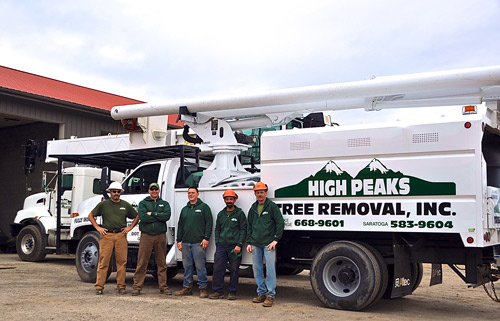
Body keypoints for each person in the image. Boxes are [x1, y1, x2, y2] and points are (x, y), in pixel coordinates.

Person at [88, 181, 139, 295]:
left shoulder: (125, 205)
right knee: (103, 261)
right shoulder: (103, 205)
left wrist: (129, 228)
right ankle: (99, 286)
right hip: (107, 235)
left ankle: (121, 286)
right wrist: (98, 228)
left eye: (118, 192)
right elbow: (90, 215)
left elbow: (137, 216)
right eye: (114, 191)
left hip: (121, 235)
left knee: (122, 262)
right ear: (110, 192)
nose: (116, 193)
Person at [246, 182, 284, 307]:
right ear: (255, 194)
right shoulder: (252, 208)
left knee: (270, 269)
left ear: (266, 193)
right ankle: (261, 293)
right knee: (257, 270)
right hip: (255, 243)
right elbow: (249, 226)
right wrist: (249, 242)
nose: (260, 194)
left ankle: (270, 295)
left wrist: (276, 240)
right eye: (257, 192)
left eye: (262, 192)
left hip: (268, 244)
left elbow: (280, 223)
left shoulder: (271, 206)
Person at [132, 183, 171, 296]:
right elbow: (143, 217)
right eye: (152, 189)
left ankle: (163, 287)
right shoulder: (143, 203)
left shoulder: (164, 203)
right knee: (142, 261)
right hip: (146, 235)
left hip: (160, 235)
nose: (154, 191)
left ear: (159, 191)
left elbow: (166, 216)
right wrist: (158, 216)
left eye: (156, 189)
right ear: (149, 191)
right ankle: (137, 287)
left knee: (162, 262)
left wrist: (152, 214)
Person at [174, 187, 213, 298]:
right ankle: (187, 287)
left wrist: (206, 238)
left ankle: (203, 288)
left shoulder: (204, 208)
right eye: (189, 193)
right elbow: (180, 225)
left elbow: (209, 223)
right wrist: (179, 240)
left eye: (193, 193)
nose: (191, 194)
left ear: (197, 194)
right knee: (187, 267)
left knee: (200, 267)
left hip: (198, 243)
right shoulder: (184, 209)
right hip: (185, 243)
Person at [209, 189, 247, 300]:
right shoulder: (221, 214)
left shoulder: (240, 214)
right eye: (227, 199)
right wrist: (217, 242)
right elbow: (217, 229)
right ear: (224, 200)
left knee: (234, 270)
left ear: (235, 199)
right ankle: (217, 291)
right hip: (221, 246)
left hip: (234, 247)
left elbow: (243, 230)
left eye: (231, 199)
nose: (229, 201)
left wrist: (239, 244)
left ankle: (232, 292)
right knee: (218, 269)